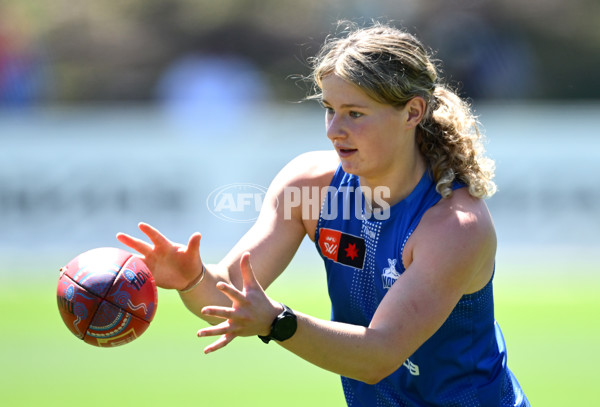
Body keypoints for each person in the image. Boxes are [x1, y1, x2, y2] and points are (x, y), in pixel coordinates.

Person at [117, 21, 529, 407]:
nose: (334, 129)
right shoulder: (309, 187)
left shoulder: (455, 226)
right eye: (329, 109)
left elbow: (378, 355)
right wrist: (192, 279)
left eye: (355, 113)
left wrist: (277, 321)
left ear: (412, 113)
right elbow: (227, 295)